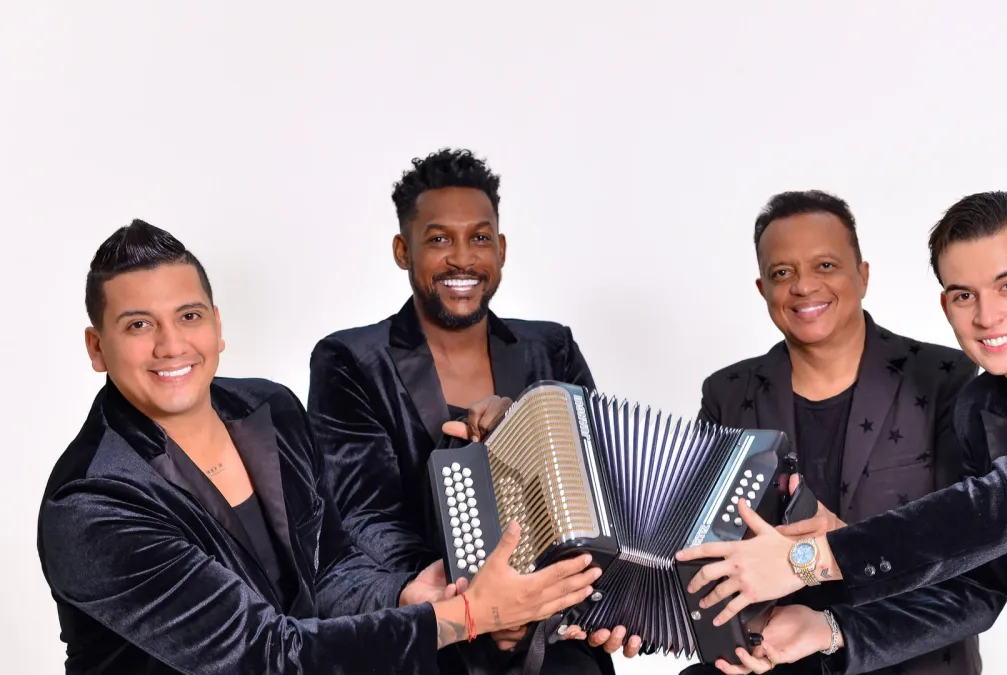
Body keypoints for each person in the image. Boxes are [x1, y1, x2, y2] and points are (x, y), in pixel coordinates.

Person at [36, 219, 603, 674]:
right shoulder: (91, 504)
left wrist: (407, 593)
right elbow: (264, 656)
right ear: (97, 348)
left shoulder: (271, 408)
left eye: (188, 316)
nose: (171, 345)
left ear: (217, 326)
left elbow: (329, 568)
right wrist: (467, 616)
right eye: (138, 325)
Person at [676, 191, 1007, 675]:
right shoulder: (980, 410)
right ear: (946, 306)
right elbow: (973, 585)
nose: (987, 315)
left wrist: (810, 560)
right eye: (964, 295)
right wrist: (829, 629)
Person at [307, 148, 636, 675]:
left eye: (480, 239)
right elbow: (363, 515)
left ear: (501, 249)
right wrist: (475, 600)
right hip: (435, 630)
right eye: (439, 240)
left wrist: (575, 605)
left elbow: (599, 491)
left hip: (555, 631)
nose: (462, 259)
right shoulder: (350, 359)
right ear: (402, 251)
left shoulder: (551, 349)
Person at [680, 191, 980, 675]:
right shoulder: (727, 394)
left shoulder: (945, 379)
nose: (803, 286)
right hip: (770, 663)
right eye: (783, 273)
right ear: (762, 289)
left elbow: (969, 565)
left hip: (910, 663)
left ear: (863, 275)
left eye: (825, 265)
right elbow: (700, 550)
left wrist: (835, 549)